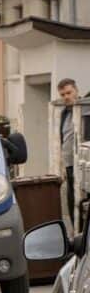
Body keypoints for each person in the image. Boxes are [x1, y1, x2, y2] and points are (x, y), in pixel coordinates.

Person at [59, 78, 80, 224]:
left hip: (81, 163)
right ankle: (75, 232)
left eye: (69, 93)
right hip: (69, 165)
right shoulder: (64, 114)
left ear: (76, 91)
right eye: (63, 94)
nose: (66, 97)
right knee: (71, 200)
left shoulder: (84, 109)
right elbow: (63, 139)